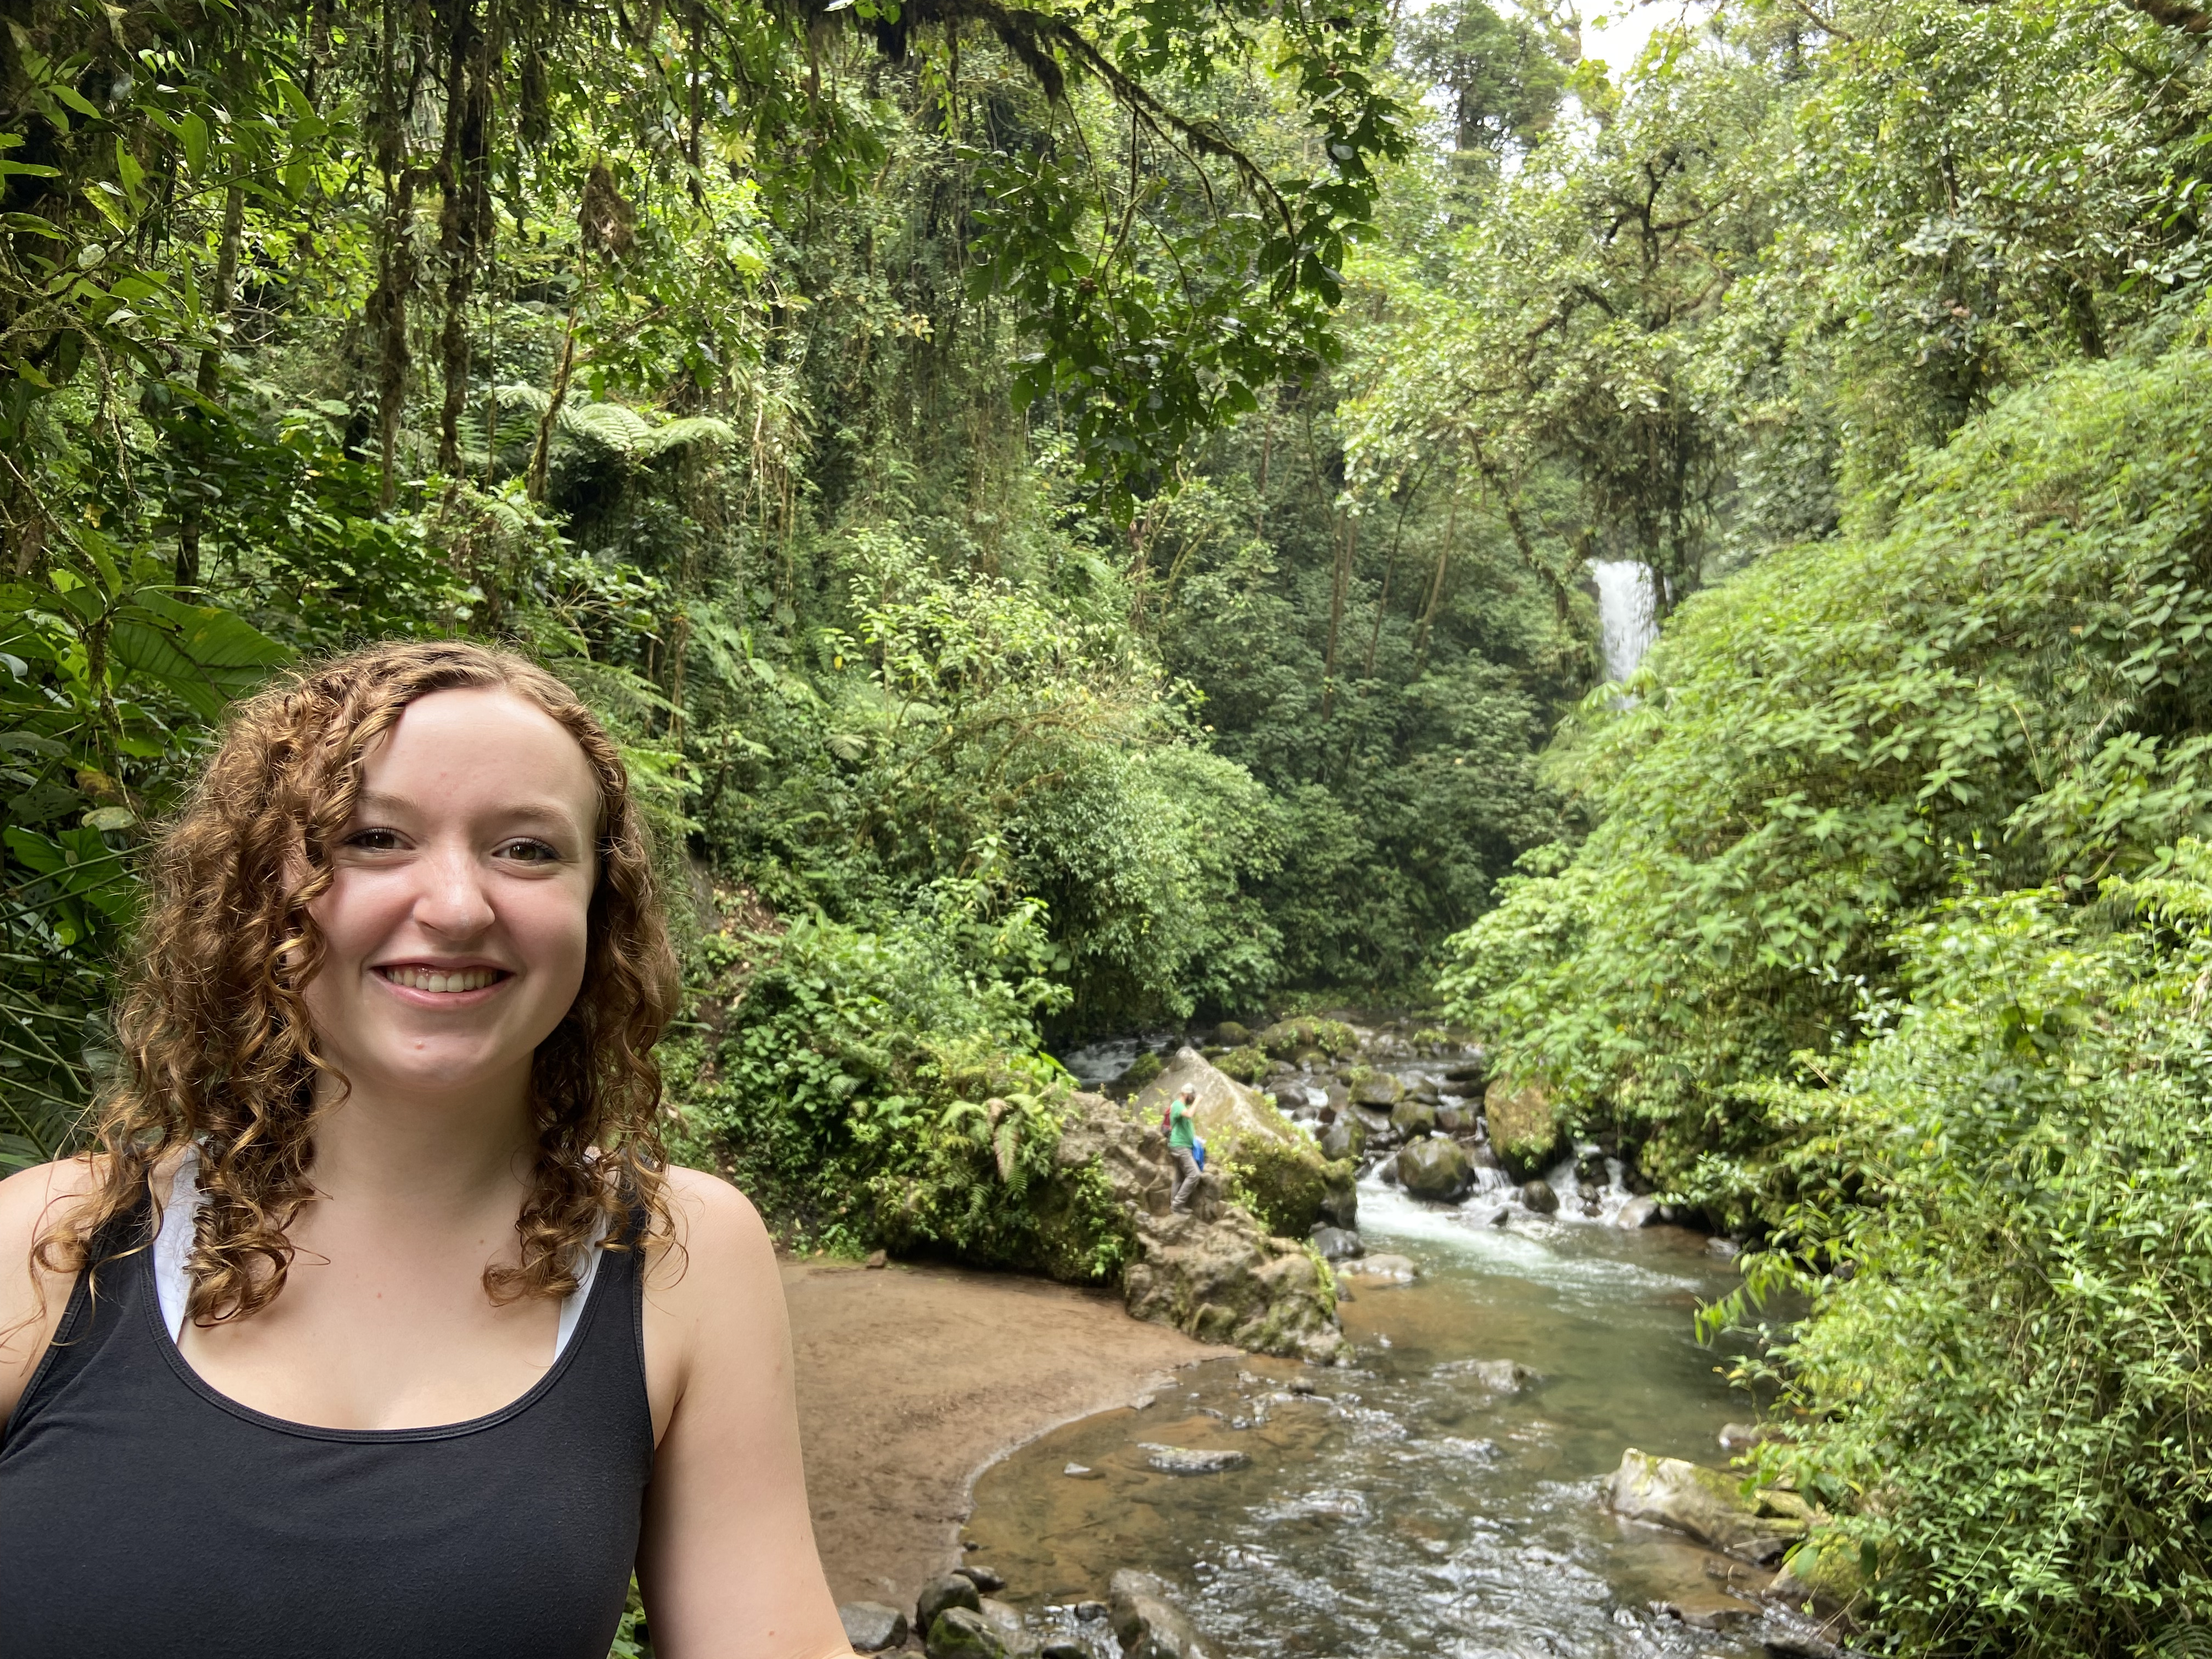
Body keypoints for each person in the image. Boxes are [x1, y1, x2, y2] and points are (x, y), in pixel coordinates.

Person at [0, 641, 855, 1659]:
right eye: (374, 837)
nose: (455, 905)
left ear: (600, 907)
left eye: (527, 849)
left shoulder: (679, 1257)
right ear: (266, 889)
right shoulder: (52, 1246)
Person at [1167, 1084, 1203, 1212]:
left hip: (1183, 1146)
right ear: (1186, 1094)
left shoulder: (1182, 1107)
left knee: (1179, 1177)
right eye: (1192, 1096)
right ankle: (1177, 1205)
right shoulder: (1177, 1105)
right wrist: (1198, 1101)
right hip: (1180, 1147)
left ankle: (1174, 1205)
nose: (1193, 1099)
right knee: (1194, 1175)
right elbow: (1189, 1114)